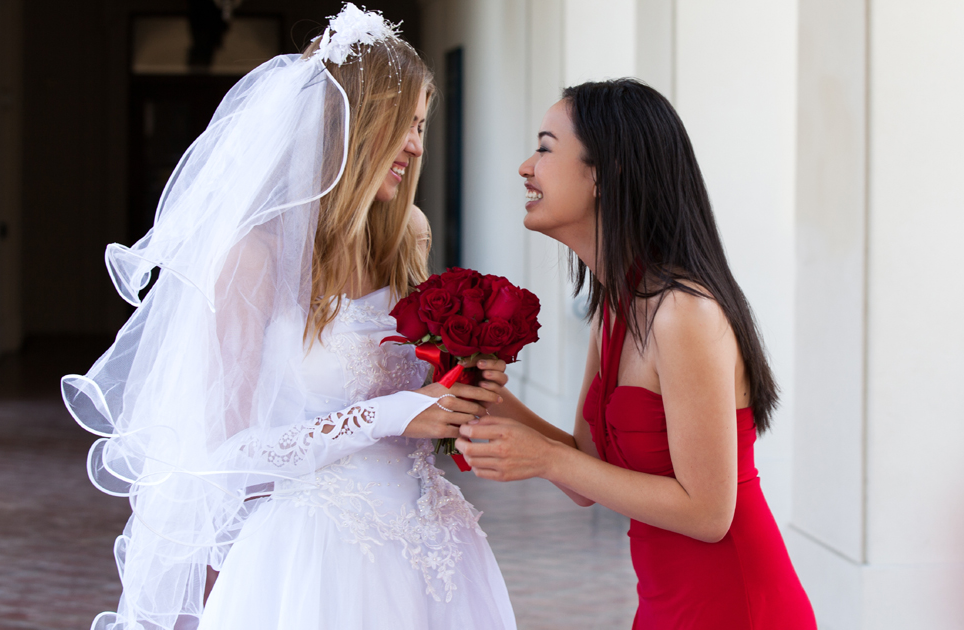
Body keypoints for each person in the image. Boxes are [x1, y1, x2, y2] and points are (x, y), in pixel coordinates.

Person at [62, 5, 516, 630]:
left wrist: (460, 389)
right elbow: (229, 456)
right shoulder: (254, 258)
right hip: (317, 551)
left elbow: (418, 390)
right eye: (401, 124)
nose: (415, 146)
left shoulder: (406, 235)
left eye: (420, 126)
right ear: (348, 124)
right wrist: (384, 416)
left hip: (434, 542)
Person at [457, 79, 816, 628]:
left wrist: (546, 458)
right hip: (665, 605)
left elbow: (709, 513)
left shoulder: (683, 314)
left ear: (606, 171)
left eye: (547, 147)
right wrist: (492, 396)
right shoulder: (619, 305)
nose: (527, 166)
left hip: (735, 606)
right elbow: (588, 473)